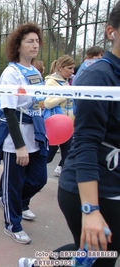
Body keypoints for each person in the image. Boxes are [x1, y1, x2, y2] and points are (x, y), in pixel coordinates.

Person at [19, 3, 120, 266]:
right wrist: (91, 208)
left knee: (98, 253)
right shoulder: (98, 75)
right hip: (90, 181)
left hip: (99, 166)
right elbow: (85, 140)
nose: (72, 72)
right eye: (30, 41)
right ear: (112, 32)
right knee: (101, 257)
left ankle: (40, 263)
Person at [0, 23, 47, 244]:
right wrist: (19, 146)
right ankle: (12, 224)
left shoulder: (35, 71)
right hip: (15, 135)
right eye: (29, 41)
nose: (35, 45)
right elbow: (9, 110)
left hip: (36, 131)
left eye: (37, 41)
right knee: (14, 182)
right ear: (18, 45)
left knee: (39, 178)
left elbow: (38, 101)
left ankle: (13, 201)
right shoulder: (10, 73)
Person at [43, 55, 75, 177]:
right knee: (48, 157)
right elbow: (47, 103)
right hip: (55, 126)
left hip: (68, 125)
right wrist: (65, 93)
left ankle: (66, 186)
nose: (72, 71)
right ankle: (30, 176)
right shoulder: (51, 82)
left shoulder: (66, 82)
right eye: (70, 68)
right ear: (60, 68)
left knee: (68, 156)